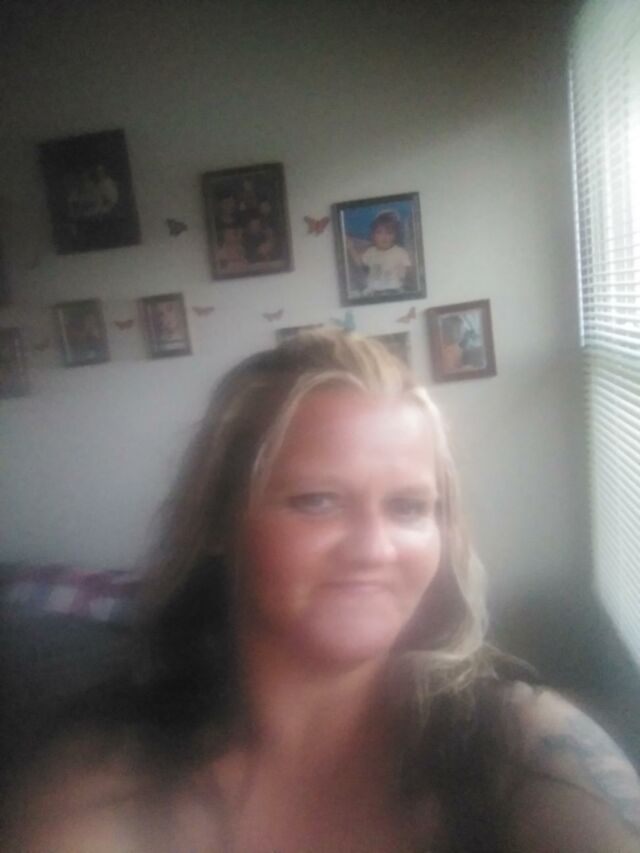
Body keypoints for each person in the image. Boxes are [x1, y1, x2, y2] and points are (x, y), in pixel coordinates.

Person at [7, 330, 640, 852]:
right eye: (316, 501)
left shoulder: (522, 745)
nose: (373, 549)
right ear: (221, 520)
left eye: (409, 508)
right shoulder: (105, 780)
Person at [348, 210, 412, 295]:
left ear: (395, 235)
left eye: (389, 233)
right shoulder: (371, 252)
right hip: (373, 291)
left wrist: (401, 274)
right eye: (379, 232)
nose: (384, 237)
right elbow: (359, 263)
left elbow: (405, 273)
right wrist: (351, 248)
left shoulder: (400, 252)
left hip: (394, 290)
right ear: (373, 235)